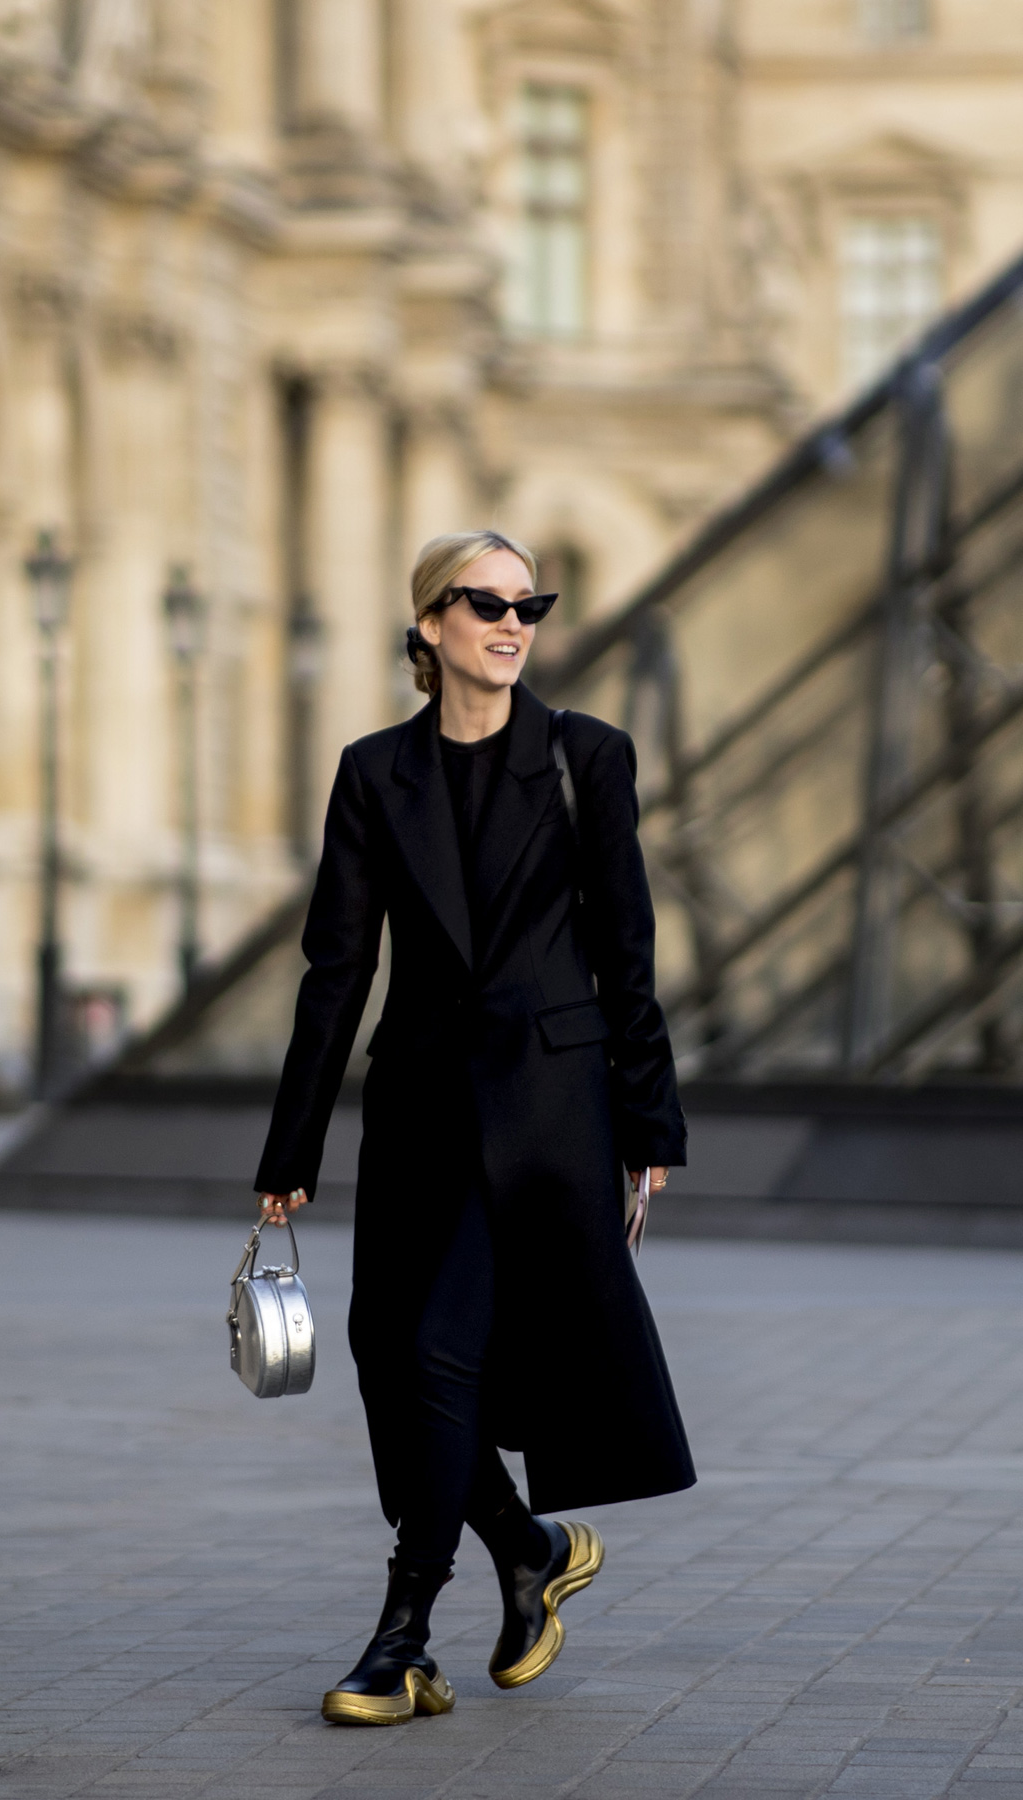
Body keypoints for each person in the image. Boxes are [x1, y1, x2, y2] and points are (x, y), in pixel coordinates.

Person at [254, 528, 694, 1727]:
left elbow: (627, 952)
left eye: (529, 604)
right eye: (486, 602)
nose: (514, 623)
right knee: (386, 1365)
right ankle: (527, 1547)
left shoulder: (584, 758)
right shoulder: (373, 772)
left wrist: (651, 1122)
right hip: (418, 1113)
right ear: (429, 625)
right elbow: (335, 971)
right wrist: (289, 1151)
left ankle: (401, 1639)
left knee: (442, 1353)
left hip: (546, 1117)